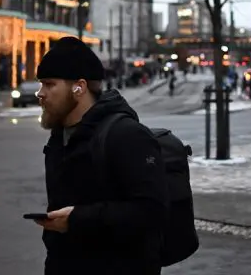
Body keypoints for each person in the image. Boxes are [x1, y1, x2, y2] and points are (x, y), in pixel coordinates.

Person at [33, 36, 168, 275]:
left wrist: (77, 220)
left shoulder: (126, 135)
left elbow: (151, 212)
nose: (40, 93)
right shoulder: (59, 139)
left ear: (79, 87)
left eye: (49, 84)